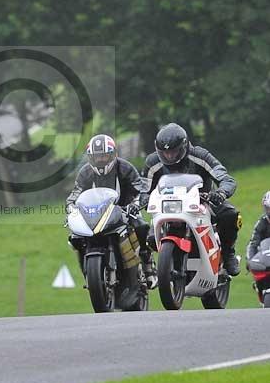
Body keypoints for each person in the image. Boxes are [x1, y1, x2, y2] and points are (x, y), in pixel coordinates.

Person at [140, 123, 242, 276]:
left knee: (230, 214)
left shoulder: (200, 155)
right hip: (168, 205)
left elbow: (225, 178)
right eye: (165, 153)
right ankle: (158, 267)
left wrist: (220, 193)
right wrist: (143, 199)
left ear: (184, 146)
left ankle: (228, 254)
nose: (169, 156)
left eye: (174, 152)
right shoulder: (152, 162)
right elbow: (143, 188)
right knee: (151, 239)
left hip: (203, 202)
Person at [66, 134, 157, 288]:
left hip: (126, 208)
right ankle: (89, 274)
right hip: (96, 213)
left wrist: (137, 203)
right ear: (90, 157)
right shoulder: (85, 172)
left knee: (142, 227)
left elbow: (142, 190)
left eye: (104, 156)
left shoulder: (125, 168)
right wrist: (70, 208)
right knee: (76, 237)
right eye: (97, 157)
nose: (101, 160)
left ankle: (148, 265)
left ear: (114, 154)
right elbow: (75, 194)